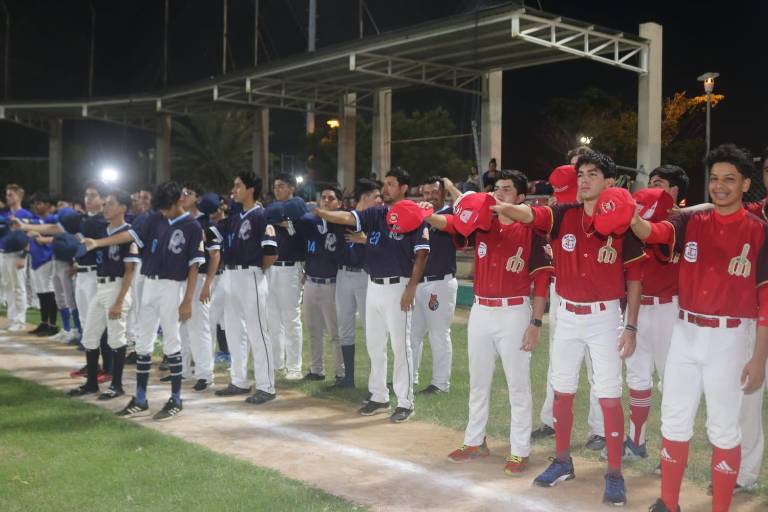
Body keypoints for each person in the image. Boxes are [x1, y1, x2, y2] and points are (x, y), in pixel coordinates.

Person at [493, 151, 645, 506]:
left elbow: (635, 278)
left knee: (608, 394)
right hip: (568, 314)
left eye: (593, 174)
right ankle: (562, 461)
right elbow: (531, 213)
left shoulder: (621, 220)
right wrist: (500, 205)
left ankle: (614, 472)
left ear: (609, 182)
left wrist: (632, 326)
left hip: (606, 316)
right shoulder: (563, 214)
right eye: (581, 174)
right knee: (562, 390)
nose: (585, 180)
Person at [626, 144, 768, 512]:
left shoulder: (759, 232)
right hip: (685, 332)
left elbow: (766, 302)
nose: (720, 186)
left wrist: (758, 358)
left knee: (722, 426)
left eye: (730, 180)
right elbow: (653, 232)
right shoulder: (691, 221)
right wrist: (628, 215)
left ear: (745, 184)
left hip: (730, 336)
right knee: (674, 419)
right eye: (716, 179)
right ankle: (668, 503)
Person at [433, 170, 552, 475]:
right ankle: (475, 441)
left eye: (508, 190)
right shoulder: (484, 225)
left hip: (514, 312)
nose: (499, 194)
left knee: (517, 384)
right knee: (478, 380)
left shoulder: (531, 231)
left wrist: (535, 324)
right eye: (496, 189)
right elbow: (454, 222)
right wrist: (426, 216)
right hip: (481, 311)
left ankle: (519, 450)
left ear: (521, 198)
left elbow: (541, 281)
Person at [315, 168, 429, 423]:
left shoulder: (413, 214)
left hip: (398, 285)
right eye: (384, 184)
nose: (385, 188)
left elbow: (422, 253)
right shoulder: (377, 213)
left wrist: (411, 287)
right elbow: (349, 217)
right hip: (373, 285)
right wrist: (324, 213)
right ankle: (379, 395)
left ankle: (405, 401)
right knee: (375, 344)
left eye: (391, 184)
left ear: (403, 188)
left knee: (401, 346)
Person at [84, 181, 204, 421]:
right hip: (149, 282)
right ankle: (140, 398)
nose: (164, 212)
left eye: (167, 208)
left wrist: (188, 299)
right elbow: (129, 235)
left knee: (172, 341)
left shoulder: (192, 226)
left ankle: (176, 399)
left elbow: (194, 266)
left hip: (172, 286)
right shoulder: (154, 217)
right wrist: (98, 243)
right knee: (142, 342)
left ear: (179, 201)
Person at [622, 165, 689, 465]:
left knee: (671, 380)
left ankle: (670, 449)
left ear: (673, 191)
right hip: (637, 308)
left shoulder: (683, 220)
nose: (651, 187)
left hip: (668, 309)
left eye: (659, 183)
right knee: (636, 377)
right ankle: (636, 442)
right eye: (650, 182)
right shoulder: (639, 220)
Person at [213, 171, 278, 404]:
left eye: (239, 185)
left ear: (251, 189)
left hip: (251, 275)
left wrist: (256, 270)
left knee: (258, 332)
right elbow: (212, 237)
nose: (234, 189)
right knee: (233, 331)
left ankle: (266, 386)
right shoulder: (234, 217)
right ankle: (238, 380)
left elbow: (271, 252)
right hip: (230, 275)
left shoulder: (261, 215)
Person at [67, 190, 137, 400]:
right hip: (101, 286)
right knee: (90, 335)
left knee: (116, 338)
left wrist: (119, 301)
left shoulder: (128, 232)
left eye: (110, 204)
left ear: (123, 208)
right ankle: (91, 384)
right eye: (105, 203)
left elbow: (130, 271)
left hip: (118, 288)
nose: (105, 207)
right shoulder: (104, 230)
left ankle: (117, 385)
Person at [328, 179, 382, 389]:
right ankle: (348, 378)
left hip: (365, 276)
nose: (379, 200)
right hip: (343, 275)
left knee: (372, 328)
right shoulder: (346, 217)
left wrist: (366, 238)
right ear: (365, 197)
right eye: (375, 196)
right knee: (345, 326)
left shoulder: (377, 219)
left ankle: (374, 381)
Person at [410, 176, 458, 394]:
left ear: (443, 194)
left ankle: (440, 384)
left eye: (434, 193)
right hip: (419, 283)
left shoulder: (450, 213)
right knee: (413, 334)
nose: (429, 197)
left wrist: (424, 215)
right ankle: (410, 377)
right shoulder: (421, 216)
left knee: (438, 334)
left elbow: (445, 222)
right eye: (426, 193)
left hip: (440, 282)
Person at [174, 183, 222, 391]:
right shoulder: (177, 222)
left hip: (200, 278)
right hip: (178, 279)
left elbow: (215, 254)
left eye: (189, 193)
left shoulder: (206, 224)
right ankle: (183, 370)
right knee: (181, 329)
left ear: (197, 198)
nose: (184, 196)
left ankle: (205, 374)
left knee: (199, 328)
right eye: (182, 193)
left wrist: (208, 284)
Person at [295, 186, 344, 382]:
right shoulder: (311, 221)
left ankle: (341, 372)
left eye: (330, 198)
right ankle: (316, 370)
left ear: (339, 203)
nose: (325, 201)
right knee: (314, 329)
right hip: (311, 281)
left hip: (332, 283)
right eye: (323, 197)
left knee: (335, 332)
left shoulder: (343, 222)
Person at [268, 173, 306, 380]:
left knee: (291, 319)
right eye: (275, 186)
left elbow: (294, 210)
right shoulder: (275, 208)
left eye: (281, 186)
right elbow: (268, 213)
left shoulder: (298, 204)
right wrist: (279, 219)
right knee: (273, 319)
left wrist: (280, 219)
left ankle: (294, 367)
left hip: (291, 268)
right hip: (272, 268)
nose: (277, 190)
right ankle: (277, 364)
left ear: (291, 188)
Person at [26, 192, 59, 337]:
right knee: (40, 293)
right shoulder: (35, 219)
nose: (36, 206)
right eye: (35, 203)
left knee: (48, 292)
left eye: (39, 203)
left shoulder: (53, 219)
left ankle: (52, 325)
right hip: (36, 258)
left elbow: (59, 235)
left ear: (47, 205)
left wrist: (40, 236)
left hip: (48, 258)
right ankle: (44, 322)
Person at [1, 184, 34, 332]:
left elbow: (30, 235)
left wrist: (24, 255)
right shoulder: (5, 214)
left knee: (19, 287)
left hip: (17, 254)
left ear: (19, 196)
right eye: (7, 195)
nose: (8, 197)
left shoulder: (25, 214)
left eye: (11, 195)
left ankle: (20, 320)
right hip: (4, 253)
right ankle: (12, 317)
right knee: (8, 286)